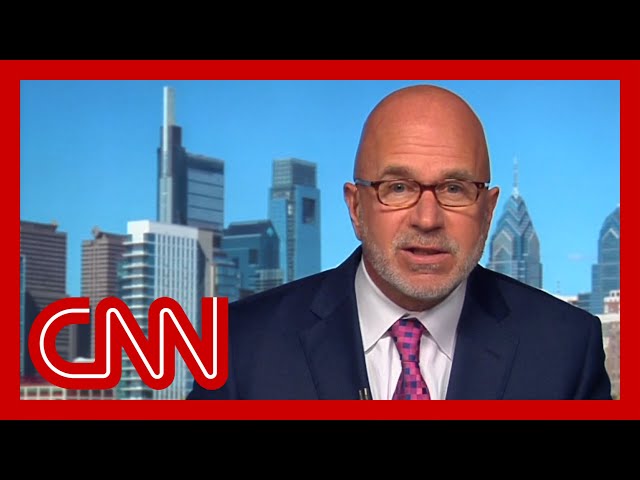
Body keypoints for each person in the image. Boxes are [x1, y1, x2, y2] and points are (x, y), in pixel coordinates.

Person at [187, 84, 612, 400]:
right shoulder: (241, 343)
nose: (427, 219)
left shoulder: (567, 350)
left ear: (487, 212)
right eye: (398, 188)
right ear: (356, 208)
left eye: (455, 189)